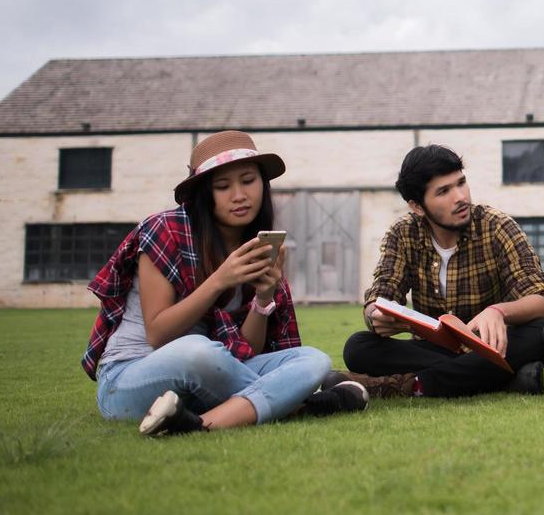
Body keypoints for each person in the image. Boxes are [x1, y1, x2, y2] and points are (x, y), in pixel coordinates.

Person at [83, 131, 366, 436]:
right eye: (222, 186)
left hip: (209, 380)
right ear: (205, 193)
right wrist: (220, 280)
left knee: (314, 361)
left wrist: (263, 297)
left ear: (263, 184)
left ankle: (197, 425)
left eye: (248, 180)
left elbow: (247, 351)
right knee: (198, 351)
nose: (239, 195)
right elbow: (159, 334)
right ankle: (302, 404)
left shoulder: (258, 246)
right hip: (131, 378)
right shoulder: (165, 228)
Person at [339, 145, 544, 398]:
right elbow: (382, 292)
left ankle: (412, 384)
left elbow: (543, 302)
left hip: (493, 347)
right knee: (358, 347)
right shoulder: (403, 233)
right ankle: (502, 379)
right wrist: (376, 315)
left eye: (461, 183)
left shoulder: (497, 226)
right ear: (417, 207)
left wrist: (498, 311)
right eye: (444, 191)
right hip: (433, 350)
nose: (460, 197)